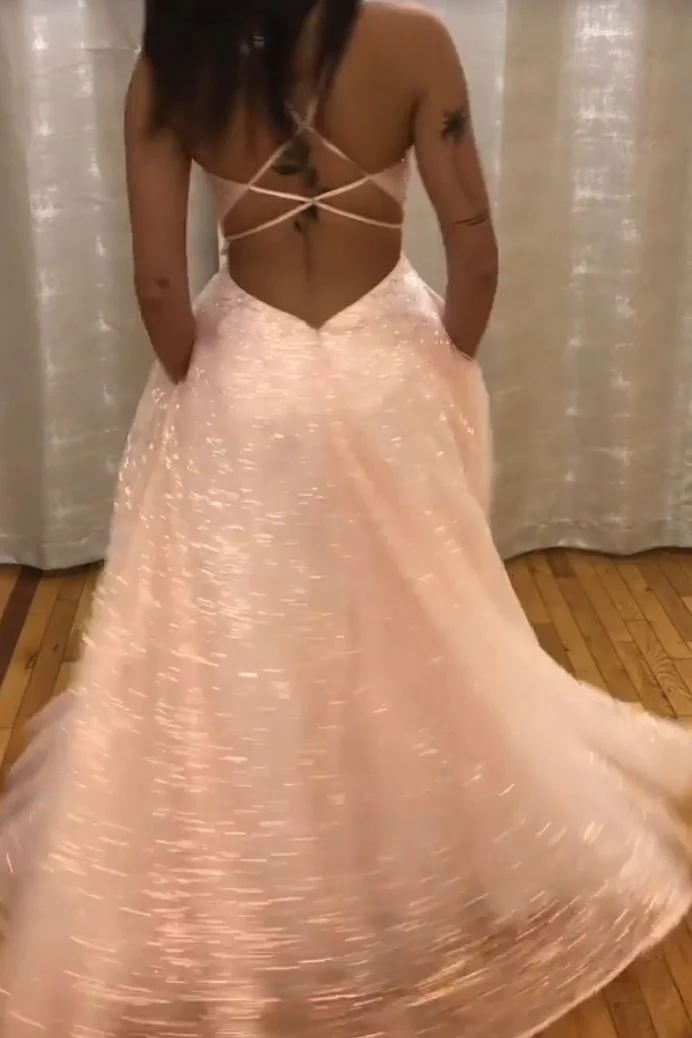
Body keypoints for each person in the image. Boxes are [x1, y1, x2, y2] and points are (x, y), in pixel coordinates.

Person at [1, 1, 692, 1036]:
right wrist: (443, 361)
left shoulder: (173, 63)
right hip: (387, 371)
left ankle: (272, 871)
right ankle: (419, 846)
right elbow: (477, 252)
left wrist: (204, 383)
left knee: (251, 640)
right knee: (411, 619)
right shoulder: (414, 42)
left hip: (247, 375)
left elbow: (158, 281)